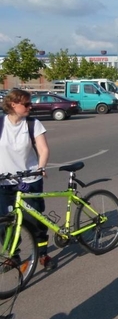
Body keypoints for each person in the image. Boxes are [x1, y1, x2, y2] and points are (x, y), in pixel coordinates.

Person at [0, 89, 55, 270]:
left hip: (29, 179)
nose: (30, 107)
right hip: (4, 182)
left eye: (30, 103)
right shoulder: (1, 124)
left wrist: (41, 168)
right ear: (13, 104)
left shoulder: (33, 124)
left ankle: (43, 254)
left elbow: (43, 149)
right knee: (5, 223)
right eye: (27, 104)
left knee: (34, 220)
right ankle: (13, 255)